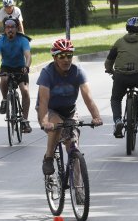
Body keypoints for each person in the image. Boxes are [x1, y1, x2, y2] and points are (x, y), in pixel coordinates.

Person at [36, 39, 103, 176]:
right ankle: (48, 158)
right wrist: (44, 122)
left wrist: (96, 117)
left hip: (69, 110)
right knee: (57, 126)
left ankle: (78, 189)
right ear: (54, 58)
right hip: (49, 110)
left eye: (69, 55)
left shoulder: (78, 72)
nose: (66, 59)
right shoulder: (47, 73)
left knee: (73, 145)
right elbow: (43, 101)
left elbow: (88, 98)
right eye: (61, 56)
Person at [104, 17, 138, 138]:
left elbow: (109, 60)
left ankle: (118, 120)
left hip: (121, 77)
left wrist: (110, 70)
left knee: (116, 98)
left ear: (127, 29)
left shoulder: (119, 42)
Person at [0, 17, 33, 133]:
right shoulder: (0, 41)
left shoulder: (22, 40)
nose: (10, 30)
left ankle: (25, 120)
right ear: (4, 29)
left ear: (17, 28)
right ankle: (4, 99)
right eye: (7, 27)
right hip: (7, 67)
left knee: (25, 90)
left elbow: (28, 56)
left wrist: (27, 67)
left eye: (12, 27)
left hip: (20, 68)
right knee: (3, 79)